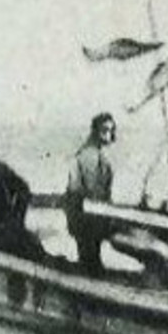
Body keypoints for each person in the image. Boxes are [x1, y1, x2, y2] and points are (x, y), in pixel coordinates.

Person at [64, 112, 117, 274]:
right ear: (96, 131)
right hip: (86, 217)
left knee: (91, 259)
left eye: (111, 130)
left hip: (91, 215)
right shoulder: (89, 156)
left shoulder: (98, 157)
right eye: (105, 130)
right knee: (90, 259)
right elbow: (80, 189)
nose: (109, 135)